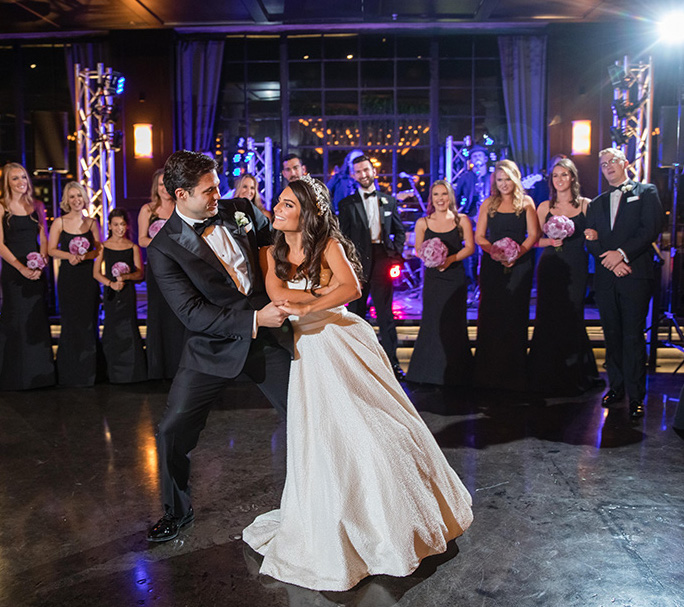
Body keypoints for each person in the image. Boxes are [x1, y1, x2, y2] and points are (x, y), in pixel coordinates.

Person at [243, 175, 473, 592]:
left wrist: (310, 302)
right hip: (308, 351)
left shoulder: (326, 243)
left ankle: (393, 523)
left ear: (307, 214)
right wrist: (316, 297)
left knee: (372, 426)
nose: (277, 207)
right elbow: (278, 296)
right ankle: (339, 516)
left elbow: (350, 287)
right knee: (326, 436)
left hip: (340, 339)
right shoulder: (268, 252)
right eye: (279, 201)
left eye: (287, 204)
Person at [145, 150, 292, 543]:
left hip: (268, 338)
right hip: (212, 345)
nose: (218, 195)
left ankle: (316, 499)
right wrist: (253, 321)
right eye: (208, 191)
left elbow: (281, 247)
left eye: (217, 186)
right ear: (180, 195)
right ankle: (177, 510)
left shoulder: (240, 209)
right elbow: (192, 313)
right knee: (171, 429)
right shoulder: (162, 249)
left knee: (304, 413)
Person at [585, 147, 664, 419]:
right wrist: (610, 261)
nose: (607, 167)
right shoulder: (596, 203)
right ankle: (616, 388)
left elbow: (650, 229)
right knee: (612, 336)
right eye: (603, 164)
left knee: (632, 337)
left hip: (635, 276)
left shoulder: (646, 192)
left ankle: (636, 396)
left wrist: (621, 255)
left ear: (626, 164)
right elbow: (591, 239)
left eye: (612, 162)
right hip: (607, 279)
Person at [527, 159, 600, 395]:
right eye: (555, 176)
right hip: (550, 266)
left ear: (573, 178)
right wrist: (550, 240)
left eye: (564, 175)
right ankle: (545, 373)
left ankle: (574, 373)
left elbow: (597, 235)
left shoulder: (586, 205)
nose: (559, 179)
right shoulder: (544, 206)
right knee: (548, 316)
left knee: (572, 314)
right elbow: (534, 239)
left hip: (576, 266)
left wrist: (592, 234)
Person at [473, 159, 540, 392]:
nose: (503, 184)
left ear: (515, 179)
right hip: (492, 266)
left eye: (507, 179)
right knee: (491, 315)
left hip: (520, 266)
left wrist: (516, 253)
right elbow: (479, 237)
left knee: (515, 316)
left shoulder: (527, 203)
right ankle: (487, 375)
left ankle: (515, 375)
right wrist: (495, 251)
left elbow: (533, 235)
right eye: (499, 180)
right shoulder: (488, 204)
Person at [338, 155, 407, 380]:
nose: (363, 175)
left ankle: (392, 364)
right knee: (356, 314)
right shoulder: (346, 204)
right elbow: (342, 237)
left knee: (386, 314)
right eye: (358, 171)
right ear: (352, 175)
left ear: (373, 171)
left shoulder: (390, 200)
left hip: (382, 260)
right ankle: (356, 364)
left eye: (366, 170)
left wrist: (394, 254)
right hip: (357, 263)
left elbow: (400, 231)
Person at [406, 180, 475, 386]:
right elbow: (419, 250)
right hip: (434, 279)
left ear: (450, 197)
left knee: (454, 323)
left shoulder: (461, 220)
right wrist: (432, 259)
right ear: (431, 199)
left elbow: (470, 248)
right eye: (436, 195)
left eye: (444, 194)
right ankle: (428, 374)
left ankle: (457, 375)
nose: (440, 199)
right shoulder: (423, 223)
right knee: (432, 322)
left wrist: (449, 260)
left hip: (454, 278)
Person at [0, 162, 55, 390]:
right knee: (16, 321)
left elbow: (44, 238)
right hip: (14, 271)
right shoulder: (1, 207)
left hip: (36, 271)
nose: (21, 182)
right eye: (15, 178)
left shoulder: (37, 205)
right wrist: (21, 268)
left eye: (23, 177)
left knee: (36, 320)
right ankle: (14, 378)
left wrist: (41, 263)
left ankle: (40, 376)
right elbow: (0, 244)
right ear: (7, 182)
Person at [48, 182, 103, 387]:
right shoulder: (59, 223)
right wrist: (69, 256)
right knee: (70, 323)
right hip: (69, 278)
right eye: (72, 197)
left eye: (79, 196)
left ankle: (89, 374)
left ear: (84, 198)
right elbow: (51, 250)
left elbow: (98, 249)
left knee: (89, 322)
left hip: (88, 278)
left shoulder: (92, 223)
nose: (76, 200)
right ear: (66, 200)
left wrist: (87, 255)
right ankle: (70, 374)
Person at [138, 169, 186, 380]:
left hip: (180, 270)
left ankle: (179, 366)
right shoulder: (148, 210)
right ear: (155, 188)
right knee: (158, 315)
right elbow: (141, 240)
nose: (164, 189)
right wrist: (164, 246)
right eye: (159, 184)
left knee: (179, 316)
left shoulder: (182, 208)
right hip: (156, 270)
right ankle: (158, 370)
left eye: (166, 184)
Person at [94, 208, 147, 384]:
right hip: (111, 293)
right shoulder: (103, 246)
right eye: (116, 225)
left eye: (123, 224)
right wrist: (111, 284)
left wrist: (126, 277)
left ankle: (132, 373)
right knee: (111, 328)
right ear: (109, 226)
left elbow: (140, 274)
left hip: (127, 293)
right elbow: (96, 273)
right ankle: (112, 372)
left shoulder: (132, 247)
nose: (119, 228)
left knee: (129, 327)